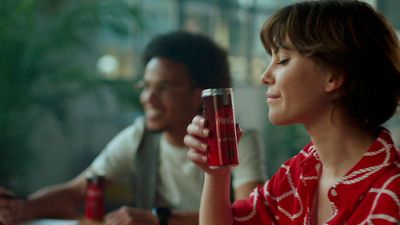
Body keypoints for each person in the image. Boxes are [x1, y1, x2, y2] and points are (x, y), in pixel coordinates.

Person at [0, 31, 265, 225]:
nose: (148, 98)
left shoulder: (236, 140)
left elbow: (247, 213)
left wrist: (157, 219)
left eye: (163, 88)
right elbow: (76, 192)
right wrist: (24, 208)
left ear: (200, 95)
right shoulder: (141, 137)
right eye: (146, 86)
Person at [185, 1, 400, 225]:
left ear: (334, 77)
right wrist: (217, 175)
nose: (265, 76)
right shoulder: (300, 171)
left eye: (283, 60)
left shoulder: (392, 195)